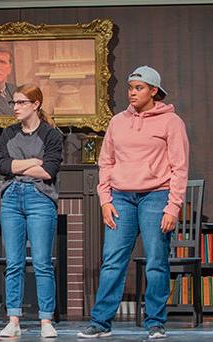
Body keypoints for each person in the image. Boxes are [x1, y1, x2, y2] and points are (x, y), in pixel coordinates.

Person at [78, 66, 189, 339]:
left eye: (138, 88)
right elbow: (105, 162)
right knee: (113, 260)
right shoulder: (117, 122)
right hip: (120, 197)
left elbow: (180, 167)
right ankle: (101, 323)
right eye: (130, 88)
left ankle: (155, 323)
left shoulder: (171, 121)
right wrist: (105, 200)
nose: (132, 93)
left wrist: (173, 206)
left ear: (153, 91)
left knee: (156, 261)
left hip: (156, 195)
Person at [0, 84, 63, 338]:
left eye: (21, 103)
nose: (15, 108)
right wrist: (32, 162)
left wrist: (16, 166)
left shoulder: (50, 134)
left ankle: (46, 320)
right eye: (13, 103)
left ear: (35, 104)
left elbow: (49, 171)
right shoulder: (8, 133)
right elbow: (0, 165)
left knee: (43, 263)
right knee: (14, 263)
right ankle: (14, 319)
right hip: (11, 197)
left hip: (40, 198)